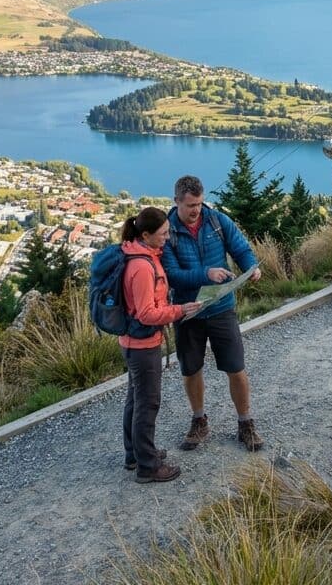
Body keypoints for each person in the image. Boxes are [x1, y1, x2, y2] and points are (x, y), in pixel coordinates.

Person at [162, 175, 263, 453]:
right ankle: (199, 420)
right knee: (191, 369)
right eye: (191, 205)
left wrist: (251, 267)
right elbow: (172, 275)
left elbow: (241, 248)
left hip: (221, 308)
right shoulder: (167, 231)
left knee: (236, 367)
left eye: (200, 203)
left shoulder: (217, 221)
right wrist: (205, 274)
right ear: (177, 202)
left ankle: (245, 423)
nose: (196, 210)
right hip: (188, 311)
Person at [119, 207, 201, 483]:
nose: (167, 237)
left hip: (133, 341)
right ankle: (148, 466)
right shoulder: (142, 266)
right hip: (142, 344)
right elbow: (146, 313)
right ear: (146, 235)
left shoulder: (141, 256)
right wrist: (179, 310)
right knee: (147, 403)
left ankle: (136, 454)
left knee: (135, 399)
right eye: (163, 233)